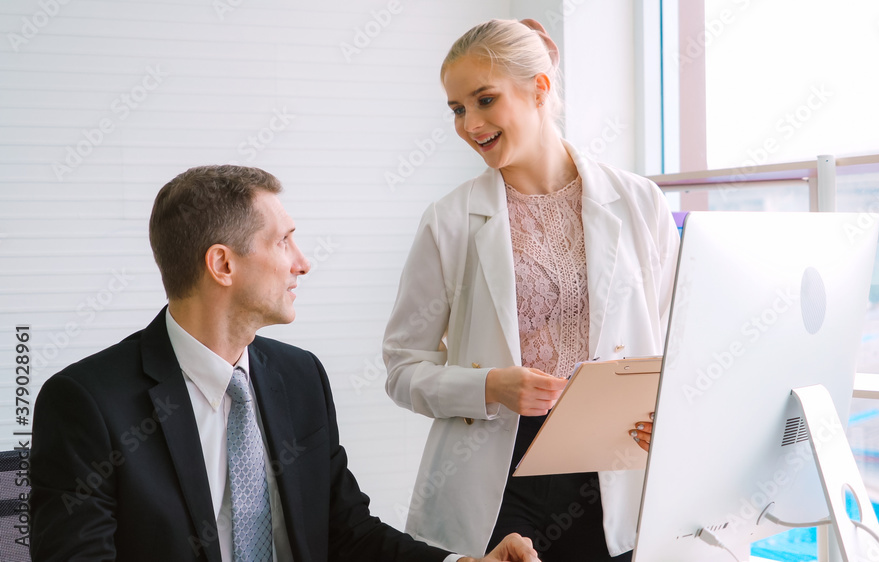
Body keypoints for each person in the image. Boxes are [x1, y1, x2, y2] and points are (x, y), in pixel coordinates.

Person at [29, 165, 539, 562]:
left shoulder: (300, 378)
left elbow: (346, 531)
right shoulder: (88, 402)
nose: (302, 261)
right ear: (223, 264)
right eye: (283, 240)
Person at [382, 19, 681, 561]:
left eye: (484, 99)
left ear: (539, 88)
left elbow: (677, 345)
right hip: (500, 475)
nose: (470, 123)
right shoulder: (449, 221)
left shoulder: (639, 202)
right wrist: (489, 387)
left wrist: (669, 411)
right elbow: (402, 370)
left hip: (614, 469)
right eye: (456, 109)